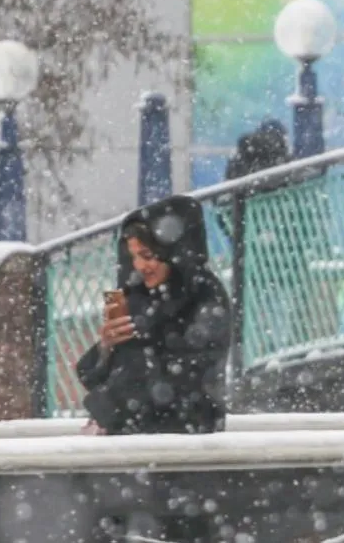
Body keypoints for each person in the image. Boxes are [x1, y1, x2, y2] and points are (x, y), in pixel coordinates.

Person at [77, 195, 231, 543]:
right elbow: (97, 373)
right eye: (133, 257)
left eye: (148, 255)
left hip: (180, 458)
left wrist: (109, 408)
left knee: (181, 530)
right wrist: (106, 346)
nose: (140, 266)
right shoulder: (137, 298)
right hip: (129, 462)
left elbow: (185, 376)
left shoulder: (204, 297)